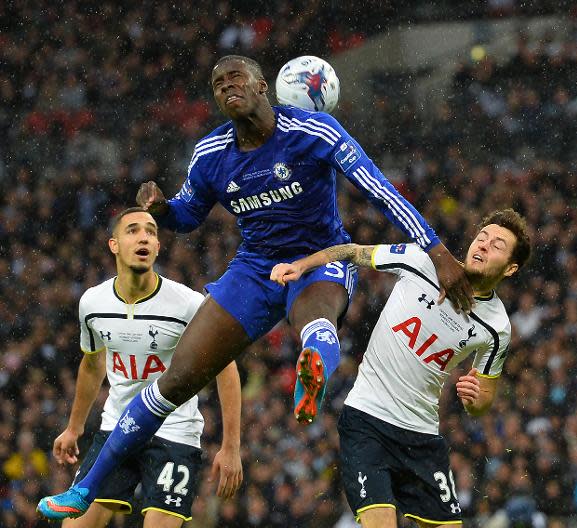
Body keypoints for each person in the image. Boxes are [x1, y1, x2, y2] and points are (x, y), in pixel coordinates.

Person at [38, 54, 472, 520]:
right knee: (173, 382)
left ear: (264, 87)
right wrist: (162, 210)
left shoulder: (313, 131)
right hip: (254, 270)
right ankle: (84, 489)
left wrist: (437, 251)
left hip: (319, 258)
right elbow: (188, 214)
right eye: (217, 81)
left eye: (236, 77)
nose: (227, 85)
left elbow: (379, 188)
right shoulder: (210, 154)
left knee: (316, 320)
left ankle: (313, 380)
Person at [271, 208, 531, 528]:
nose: (484, 245)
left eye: (497, 246)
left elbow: (483, 401)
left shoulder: (497, 328)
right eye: (482, 237)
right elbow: (353, 252)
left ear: (511, 268)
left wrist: (475, 399)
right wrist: (301, 265)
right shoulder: (422, 262)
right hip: (366, 421)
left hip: (421, 436)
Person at [39, 208, 243, 525]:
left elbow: (225, 367)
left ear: (158, 247)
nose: (143, 236)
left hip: (174, 434)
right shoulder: (93, 303)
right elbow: (93, 365)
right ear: (114, 245)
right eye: (132, 230)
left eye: (150, 231)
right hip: (117, 428)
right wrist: (74, 427)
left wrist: (231, 446)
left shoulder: (187, 304)